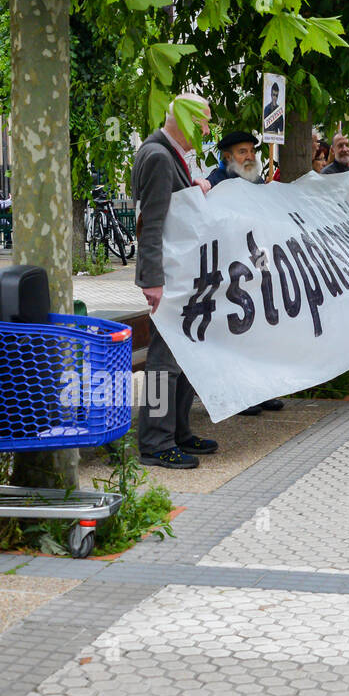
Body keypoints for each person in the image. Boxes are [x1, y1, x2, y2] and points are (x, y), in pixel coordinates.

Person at [131, 92, 218, 468]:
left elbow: (171, 207)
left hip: (179, 274)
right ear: (184, 119)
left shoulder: (166, 154)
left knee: (182, 358)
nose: (207, 128)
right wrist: (152, 280)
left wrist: (193, 189)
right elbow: (151, 221)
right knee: (164, 363)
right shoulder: (157, 156)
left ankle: (178, 432)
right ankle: (155, 442)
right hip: (166, 276)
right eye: (204, 120)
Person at [204, 130, 284, 417]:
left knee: (258, 331)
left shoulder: (257, 182)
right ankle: (235, 396)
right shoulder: (216, 182)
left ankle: (259, 391)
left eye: (251, 151)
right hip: (230, 270)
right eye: (242, 152)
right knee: (233, 333)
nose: (249, 156)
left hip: (257, 266)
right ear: (227, 156)